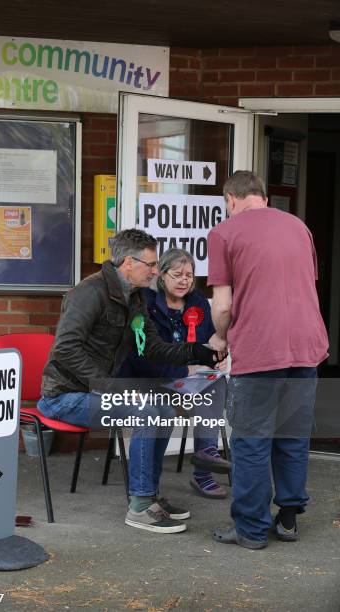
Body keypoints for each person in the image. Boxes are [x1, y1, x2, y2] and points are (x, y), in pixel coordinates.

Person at [38, 228, 224, 534]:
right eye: (151, 265)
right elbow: (65, 348)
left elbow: (151, 347)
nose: (154, 271)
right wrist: (107, 386)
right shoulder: (90, 292)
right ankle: (138, 506)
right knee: (146, 411)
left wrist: (198, 352)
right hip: (65, 396)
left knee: (164, 411)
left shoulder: (135, 297)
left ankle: (149, 497)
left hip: (95, 392)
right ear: (128, 262)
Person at [207, 170, 329, 549]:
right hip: (306, 346)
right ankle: (288, 518)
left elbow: (223, 306)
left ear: (230, 199)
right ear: (262, 195)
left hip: (261, 349)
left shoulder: (224, 233)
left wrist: (221, 337)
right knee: (291, 435)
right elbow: (304, 285)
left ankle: (251, 528)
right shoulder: (299, 227)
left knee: (251, 440)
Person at [121, 248, 231, 499]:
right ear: (161, 275)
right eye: (178, 274)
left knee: (215, 384)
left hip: (186, 380)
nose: (184, 280)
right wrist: (186, 369)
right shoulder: (144, 302)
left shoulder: (198, 302)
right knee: (166, 406)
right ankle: (149, 487)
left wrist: (216, 358)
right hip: (148, 380)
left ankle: (205, 462)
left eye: (190, 275)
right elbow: (142, 357)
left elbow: (208, 343)